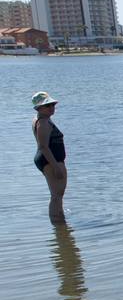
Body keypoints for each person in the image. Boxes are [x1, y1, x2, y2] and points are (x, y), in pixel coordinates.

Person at [32, 91, 67, 223]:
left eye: (52, 104)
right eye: (47, 106)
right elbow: (43, 147)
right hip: (50, 160)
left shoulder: (43, 119)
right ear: (38, 108)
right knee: (56, 196)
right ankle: (58, 224)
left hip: (50, 159)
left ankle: (61, 227)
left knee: (57, 195)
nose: (51, 108)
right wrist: (56, 166)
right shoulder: (43, 123)